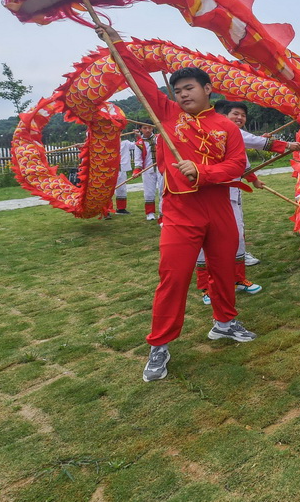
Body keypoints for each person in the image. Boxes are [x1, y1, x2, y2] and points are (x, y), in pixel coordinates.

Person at [94, 25, 256, 383]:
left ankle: (225, 323)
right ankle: (160, 345)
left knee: (224, 269)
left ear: (208, 90)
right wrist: (116, 43)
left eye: (189, 88)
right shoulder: (166, 115)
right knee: (174, 277)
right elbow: (141, 80)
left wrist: (201, 171)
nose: (182, 95)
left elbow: (235, 165)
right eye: (178, 90)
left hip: (218, 209)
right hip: (181, 213)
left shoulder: (226, 127)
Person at [195, 101, 299, 304]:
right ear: (223, 116)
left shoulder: (234, 137)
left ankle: (238, 279)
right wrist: (286, 146)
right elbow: (257, 142)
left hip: (233, 195)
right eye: (235, 114)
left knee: (237, 236)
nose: (240, 118)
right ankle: (206, 287)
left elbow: (243, 164)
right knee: (205, 240)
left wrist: (255, 180)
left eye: (243, 115)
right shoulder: (219, 130)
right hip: (208, 195)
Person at [134, 124, 163, 221]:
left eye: (149, 127)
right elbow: (138, 160)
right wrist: (137, 170)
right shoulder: (139, 143)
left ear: (153, 128)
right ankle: (150, 213)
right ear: (140, 129)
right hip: (148, 170)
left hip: (161, 169)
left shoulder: (159, 137)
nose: (147, 130)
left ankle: (163, 213)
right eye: (145, 128)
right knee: (149, 193)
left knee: (163, 191)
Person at [113, 136, 136, 214]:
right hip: (110, 170)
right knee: (108, 190)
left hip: (122, 169)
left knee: (122, 189)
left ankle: (121, 208)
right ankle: (107, 210)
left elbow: (136, 145)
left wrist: (138, 136)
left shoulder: (125, 143)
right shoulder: (107, 143)